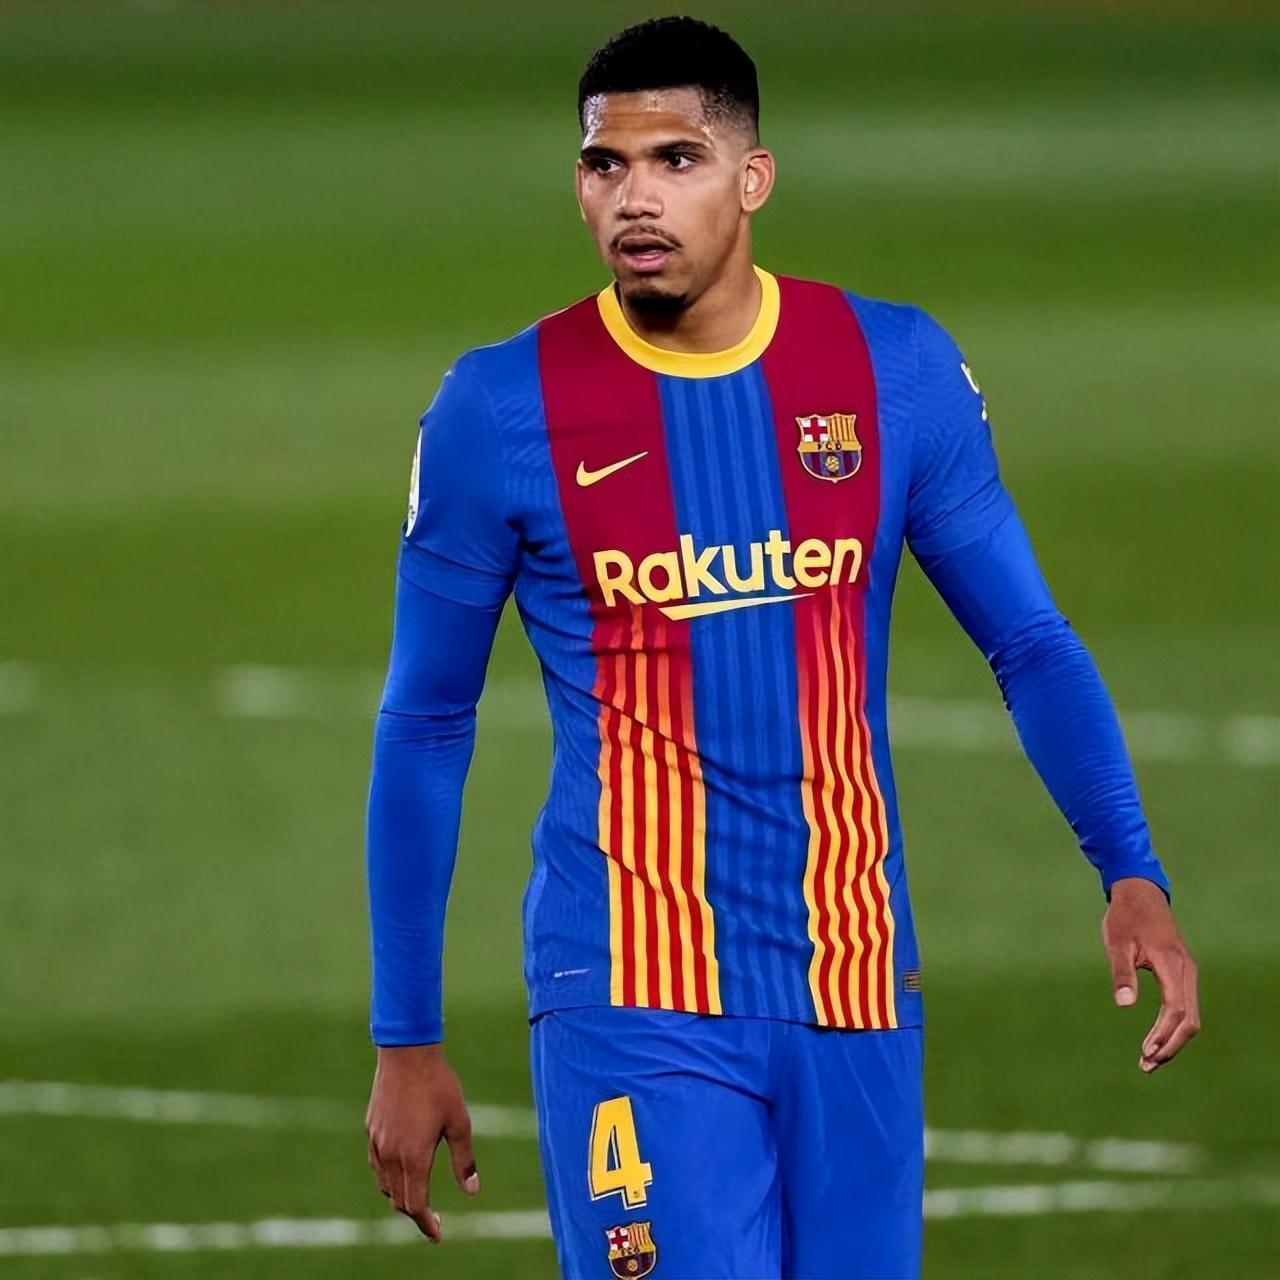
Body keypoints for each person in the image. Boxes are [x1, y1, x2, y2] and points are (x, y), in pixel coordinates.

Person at [363, 16, 1200, 1279]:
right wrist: (405, 1033)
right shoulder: (499, 408)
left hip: (855, 976)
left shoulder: (892, 369)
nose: (634, 197)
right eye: (604, 164)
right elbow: (426, 720)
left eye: (676, 159)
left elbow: (1027, 639)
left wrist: (1127, 865)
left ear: (752, 177)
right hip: (627, 984)